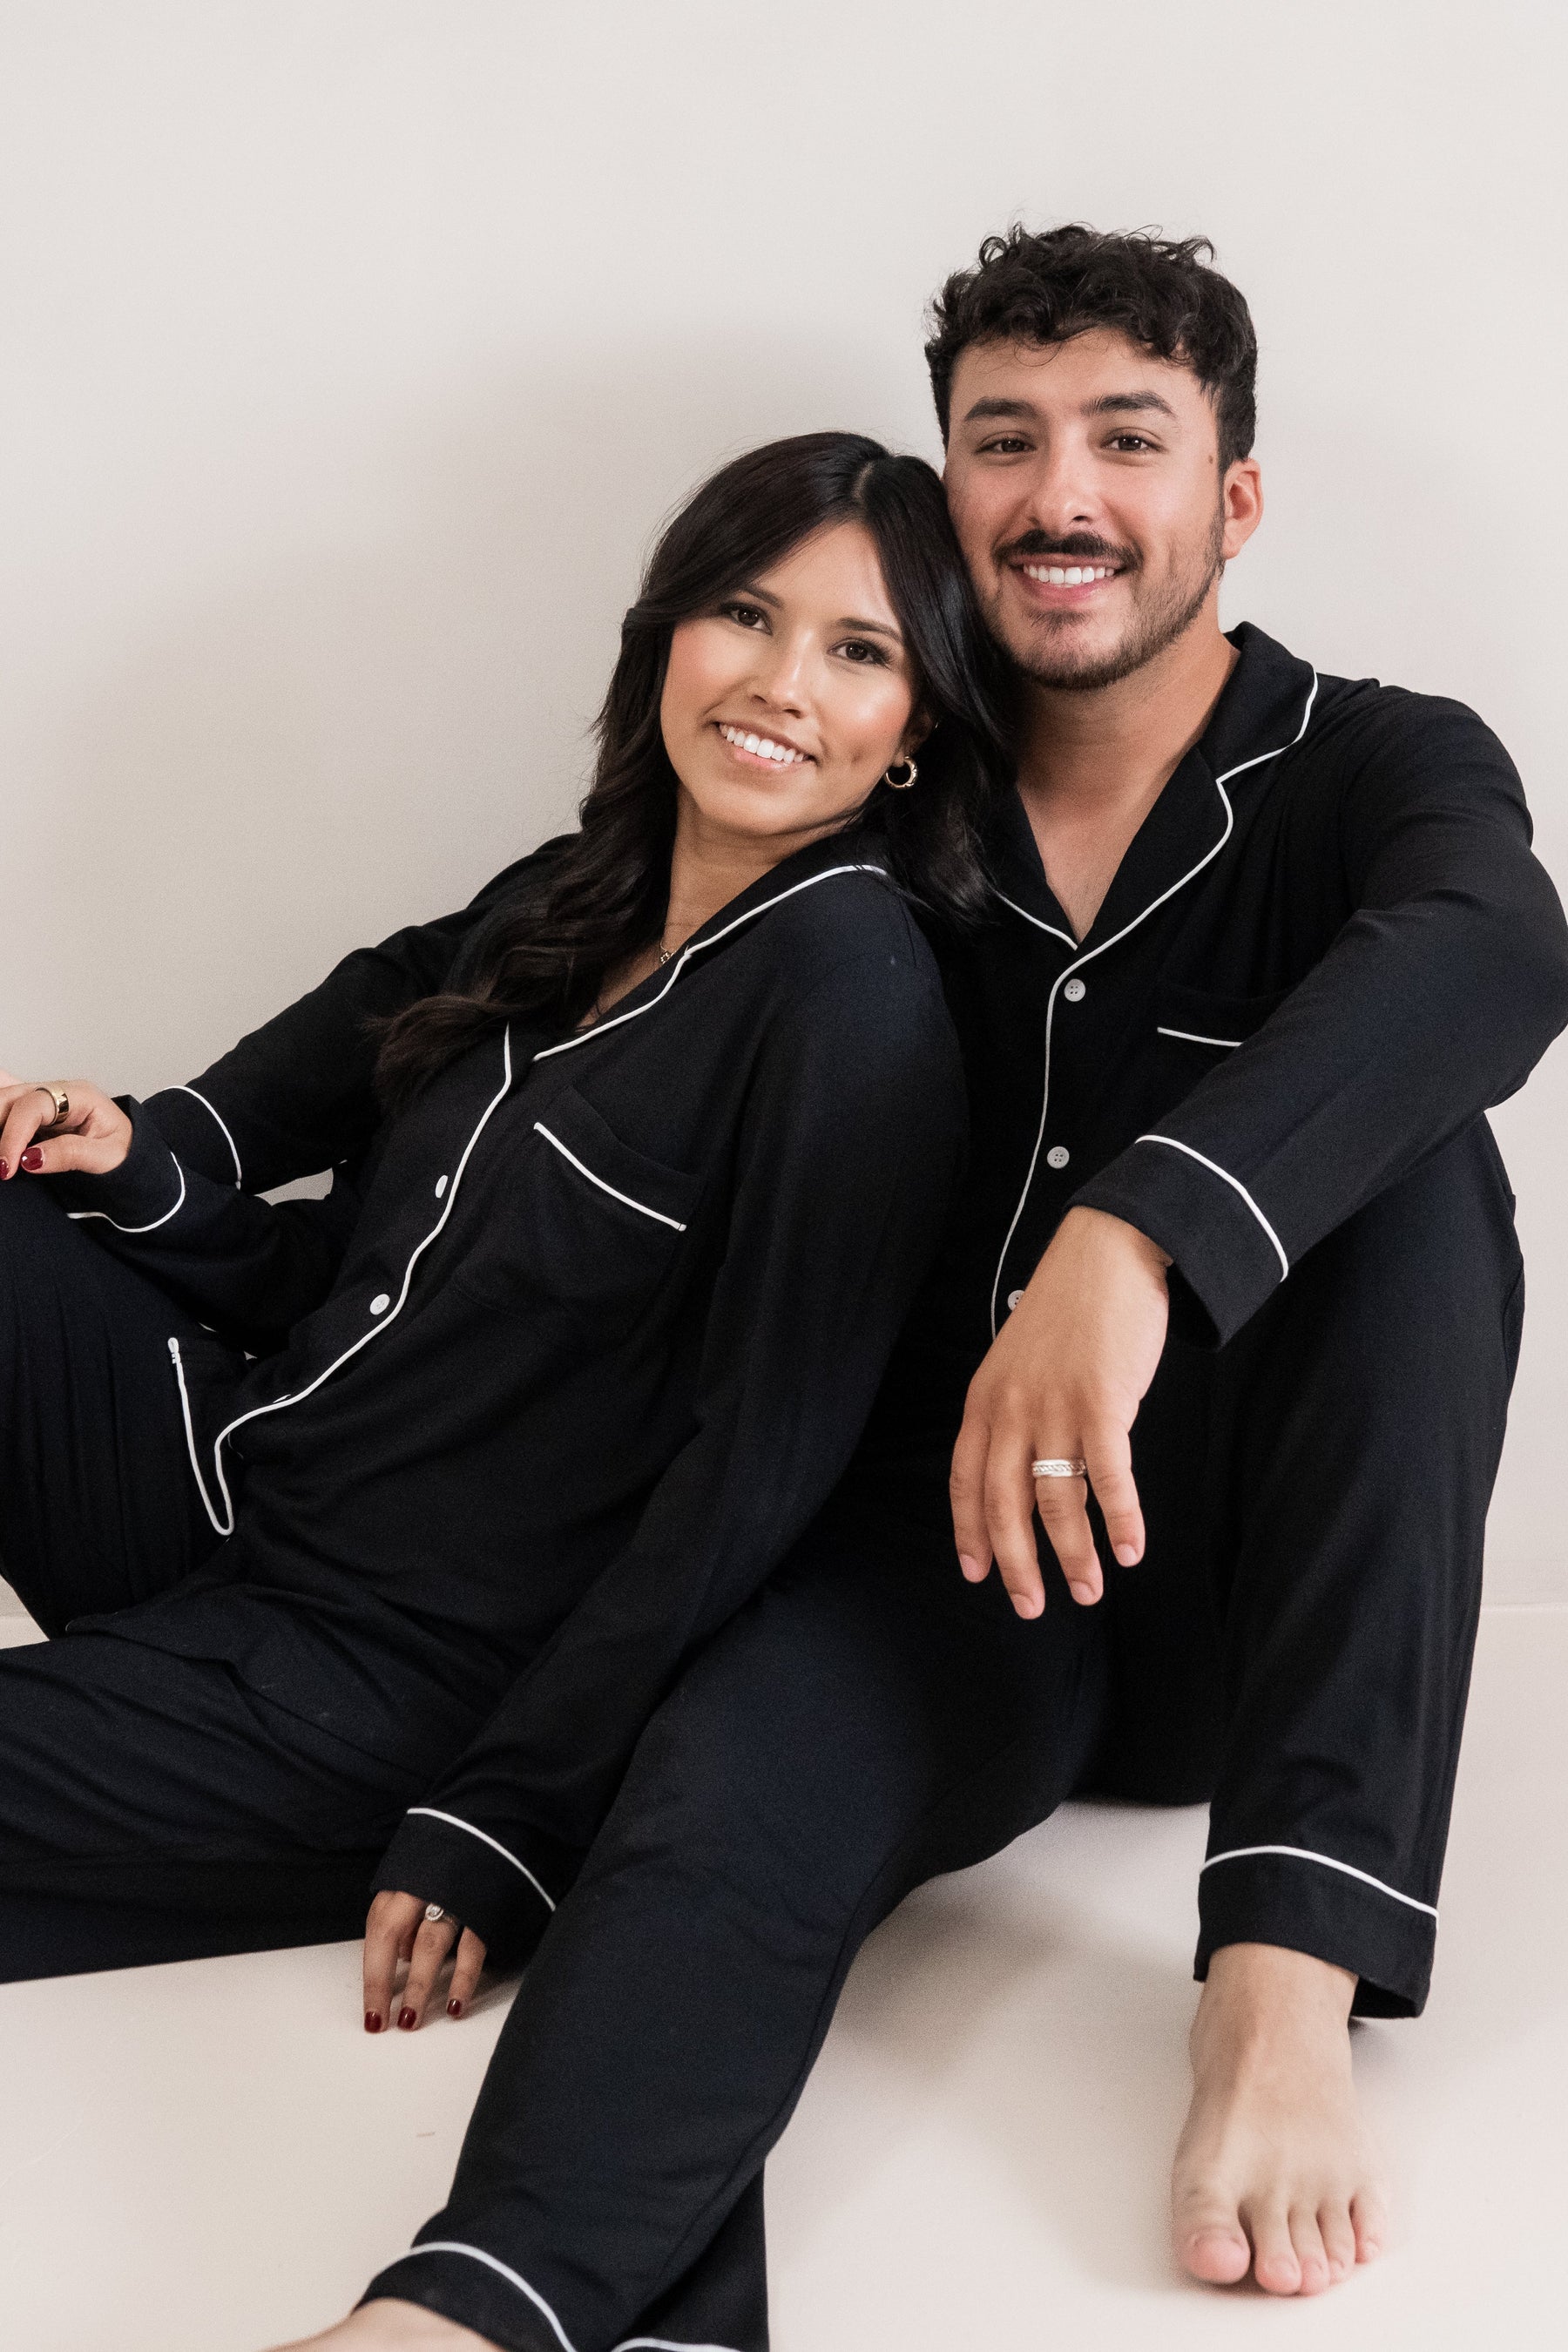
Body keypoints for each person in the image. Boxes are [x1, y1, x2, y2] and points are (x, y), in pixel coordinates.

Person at [280, 226, 1567, 2352]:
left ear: (1232, 499)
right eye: (1004, 441)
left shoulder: (1373, 764)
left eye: (1126, 440)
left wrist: (1128, 1232)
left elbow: (1503, 950)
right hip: (942, 1571)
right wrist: (184, 1143)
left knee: (1429, 1180)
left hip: (1252, 1591)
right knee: (725, 1791)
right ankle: (470, 2311)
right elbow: (502, 948)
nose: (1062, 497)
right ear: (949, 492)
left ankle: (1283, 1994)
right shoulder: (879, 788)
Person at [0, 436, 1010, 2027]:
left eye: (859, 650)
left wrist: (513, 1813)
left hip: (379, 1684)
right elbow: (366, 1016)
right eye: (745, 615)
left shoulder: (847, 997)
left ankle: (191, 1789)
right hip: (235, 1489)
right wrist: (152, 1148)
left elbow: (759, 1463)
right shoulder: (581, 888)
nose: (781, 683)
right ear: (667, 633)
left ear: (916, 725)